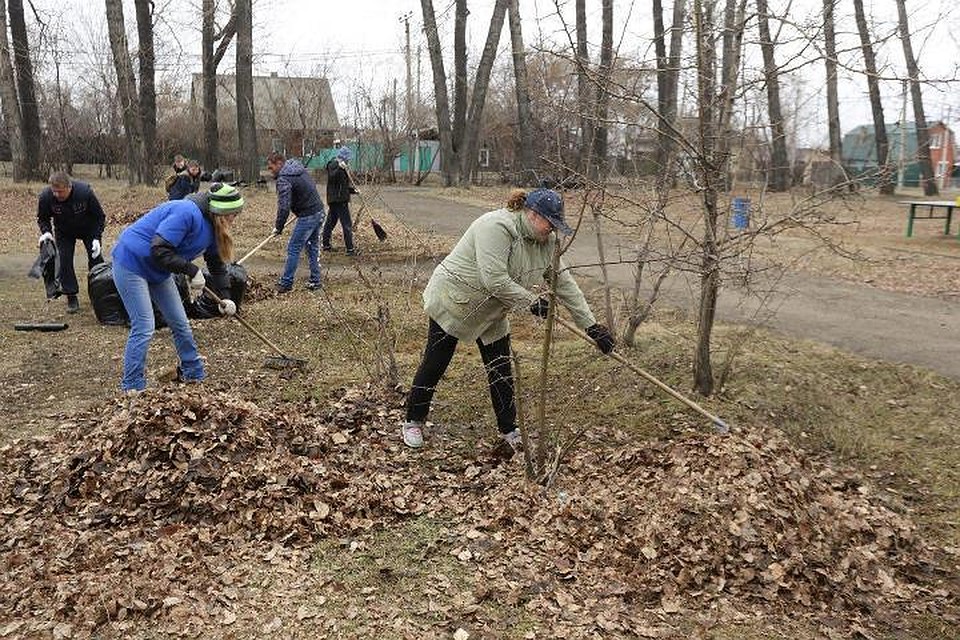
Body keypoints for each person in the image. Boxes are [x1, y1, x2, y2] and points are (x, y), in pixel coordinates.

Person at [401, 188, 615, 450]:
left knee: (501, 369)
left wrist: (591, 326)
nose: (553, 230)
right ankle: (414, 420)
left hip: (493, 311)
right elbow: (495, 280)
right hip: (455, 301)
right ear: (533, 214)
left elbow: (565, 284)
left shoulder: (546, 244)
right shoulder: (497, 227)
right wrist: (532, 302)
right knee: (436, 361)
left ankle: (509, 430)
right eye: (551, 223)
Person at [110, 183, 244, 392]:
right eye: (232, 215)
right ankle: (132, 386)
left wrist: (226, 297)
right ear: (221, 211)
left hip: (158, 270)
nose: (234, 220)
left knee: (180, 322)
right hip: (131, 262)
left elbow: (217, 265)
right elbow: (159, 248)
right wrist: (192, 270)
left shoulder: (213, 227)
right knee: (145, 325)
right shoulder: (186, 213)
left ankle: (192, 371)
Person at [36, 171, 106, 313]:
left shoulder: (84, 193)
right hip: (64, 231)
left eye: (60, 192)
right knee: (64, 260)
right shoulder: (46, 197)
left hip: (89, 229)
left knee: (96, 260)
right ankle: (71, 295)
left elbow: (100, 217)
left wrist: (97, 238)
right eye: (54, 191)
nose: (57, 195)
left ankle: (99, 295)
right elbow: (43, 218)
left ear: (69, 187)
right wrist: (46, 232)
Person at [268, 151, 325, 292]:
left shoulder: (284, 179)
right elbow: (307, 190)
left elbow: (284, 207)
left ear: (279, 164)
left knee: (293, 248)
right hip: (319, 210)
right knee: (312, 247)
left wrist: (278, 227)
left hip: (308, 215)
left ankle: (286, 283)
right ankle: (315, 281)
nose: (270, 171)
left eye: (271, 167)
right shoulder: (298, 169)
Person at [322, 146, 360, 255]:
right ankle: (350, 249)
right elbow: (332, 177)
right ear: (343, 157)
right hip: (339, 200)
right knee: (347, 224)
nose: (349, 160)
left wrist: (353, 190)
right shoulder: (333, 164)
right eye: (348, 158)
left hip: (337, 199)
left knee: (330, 222)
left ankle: (326, 245)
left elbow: (342, 186)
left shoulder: (343, 167)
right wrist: (339, 168)